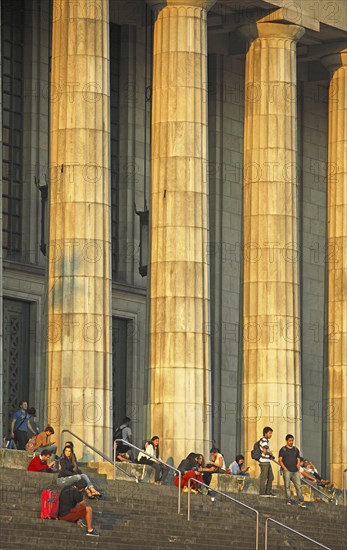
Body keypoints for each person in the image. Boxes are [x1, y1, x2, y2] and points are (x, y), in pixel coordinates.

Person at [279, 434, 306, 508]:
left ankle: (301, 501)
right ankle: (288, 500)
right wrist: (284, 468)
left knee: (298, 486)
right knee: (287, 486)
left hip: (295, 471)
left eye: (292, 440)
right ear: (287, 441)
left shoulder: (295, 449)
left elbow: (298, 458)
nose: (291, 442)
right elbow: (280, 460)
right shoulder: (283, 449)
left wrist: (298, 465)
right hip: (287, 470)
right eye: (290, 441)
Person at [258, 426, 276, 497]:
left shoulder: (265, 441)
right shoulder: (264, 440)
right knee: (264, 477)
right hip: (264, 461)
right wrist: (270, 453)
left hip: (267, 461)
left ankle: (268, 491)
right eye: (269, 433)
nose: (271, 435)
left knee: (270, 477)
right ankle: (262, 492)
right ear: (265, 433)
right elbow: (265, 451)